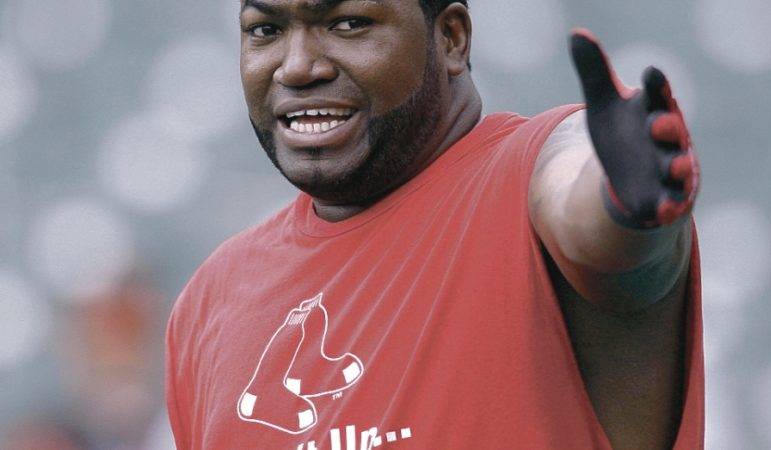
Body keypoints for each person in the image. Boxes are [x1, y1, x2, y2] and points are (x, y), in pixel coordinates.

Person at [165, 0, 703, 448]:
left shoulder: (525, 174)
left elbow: (581, 203)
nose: (298, 66)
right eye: (266, 30)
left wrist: (619, 204)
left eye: (348, 23)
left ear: (449, 39)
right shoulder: (209, 303)